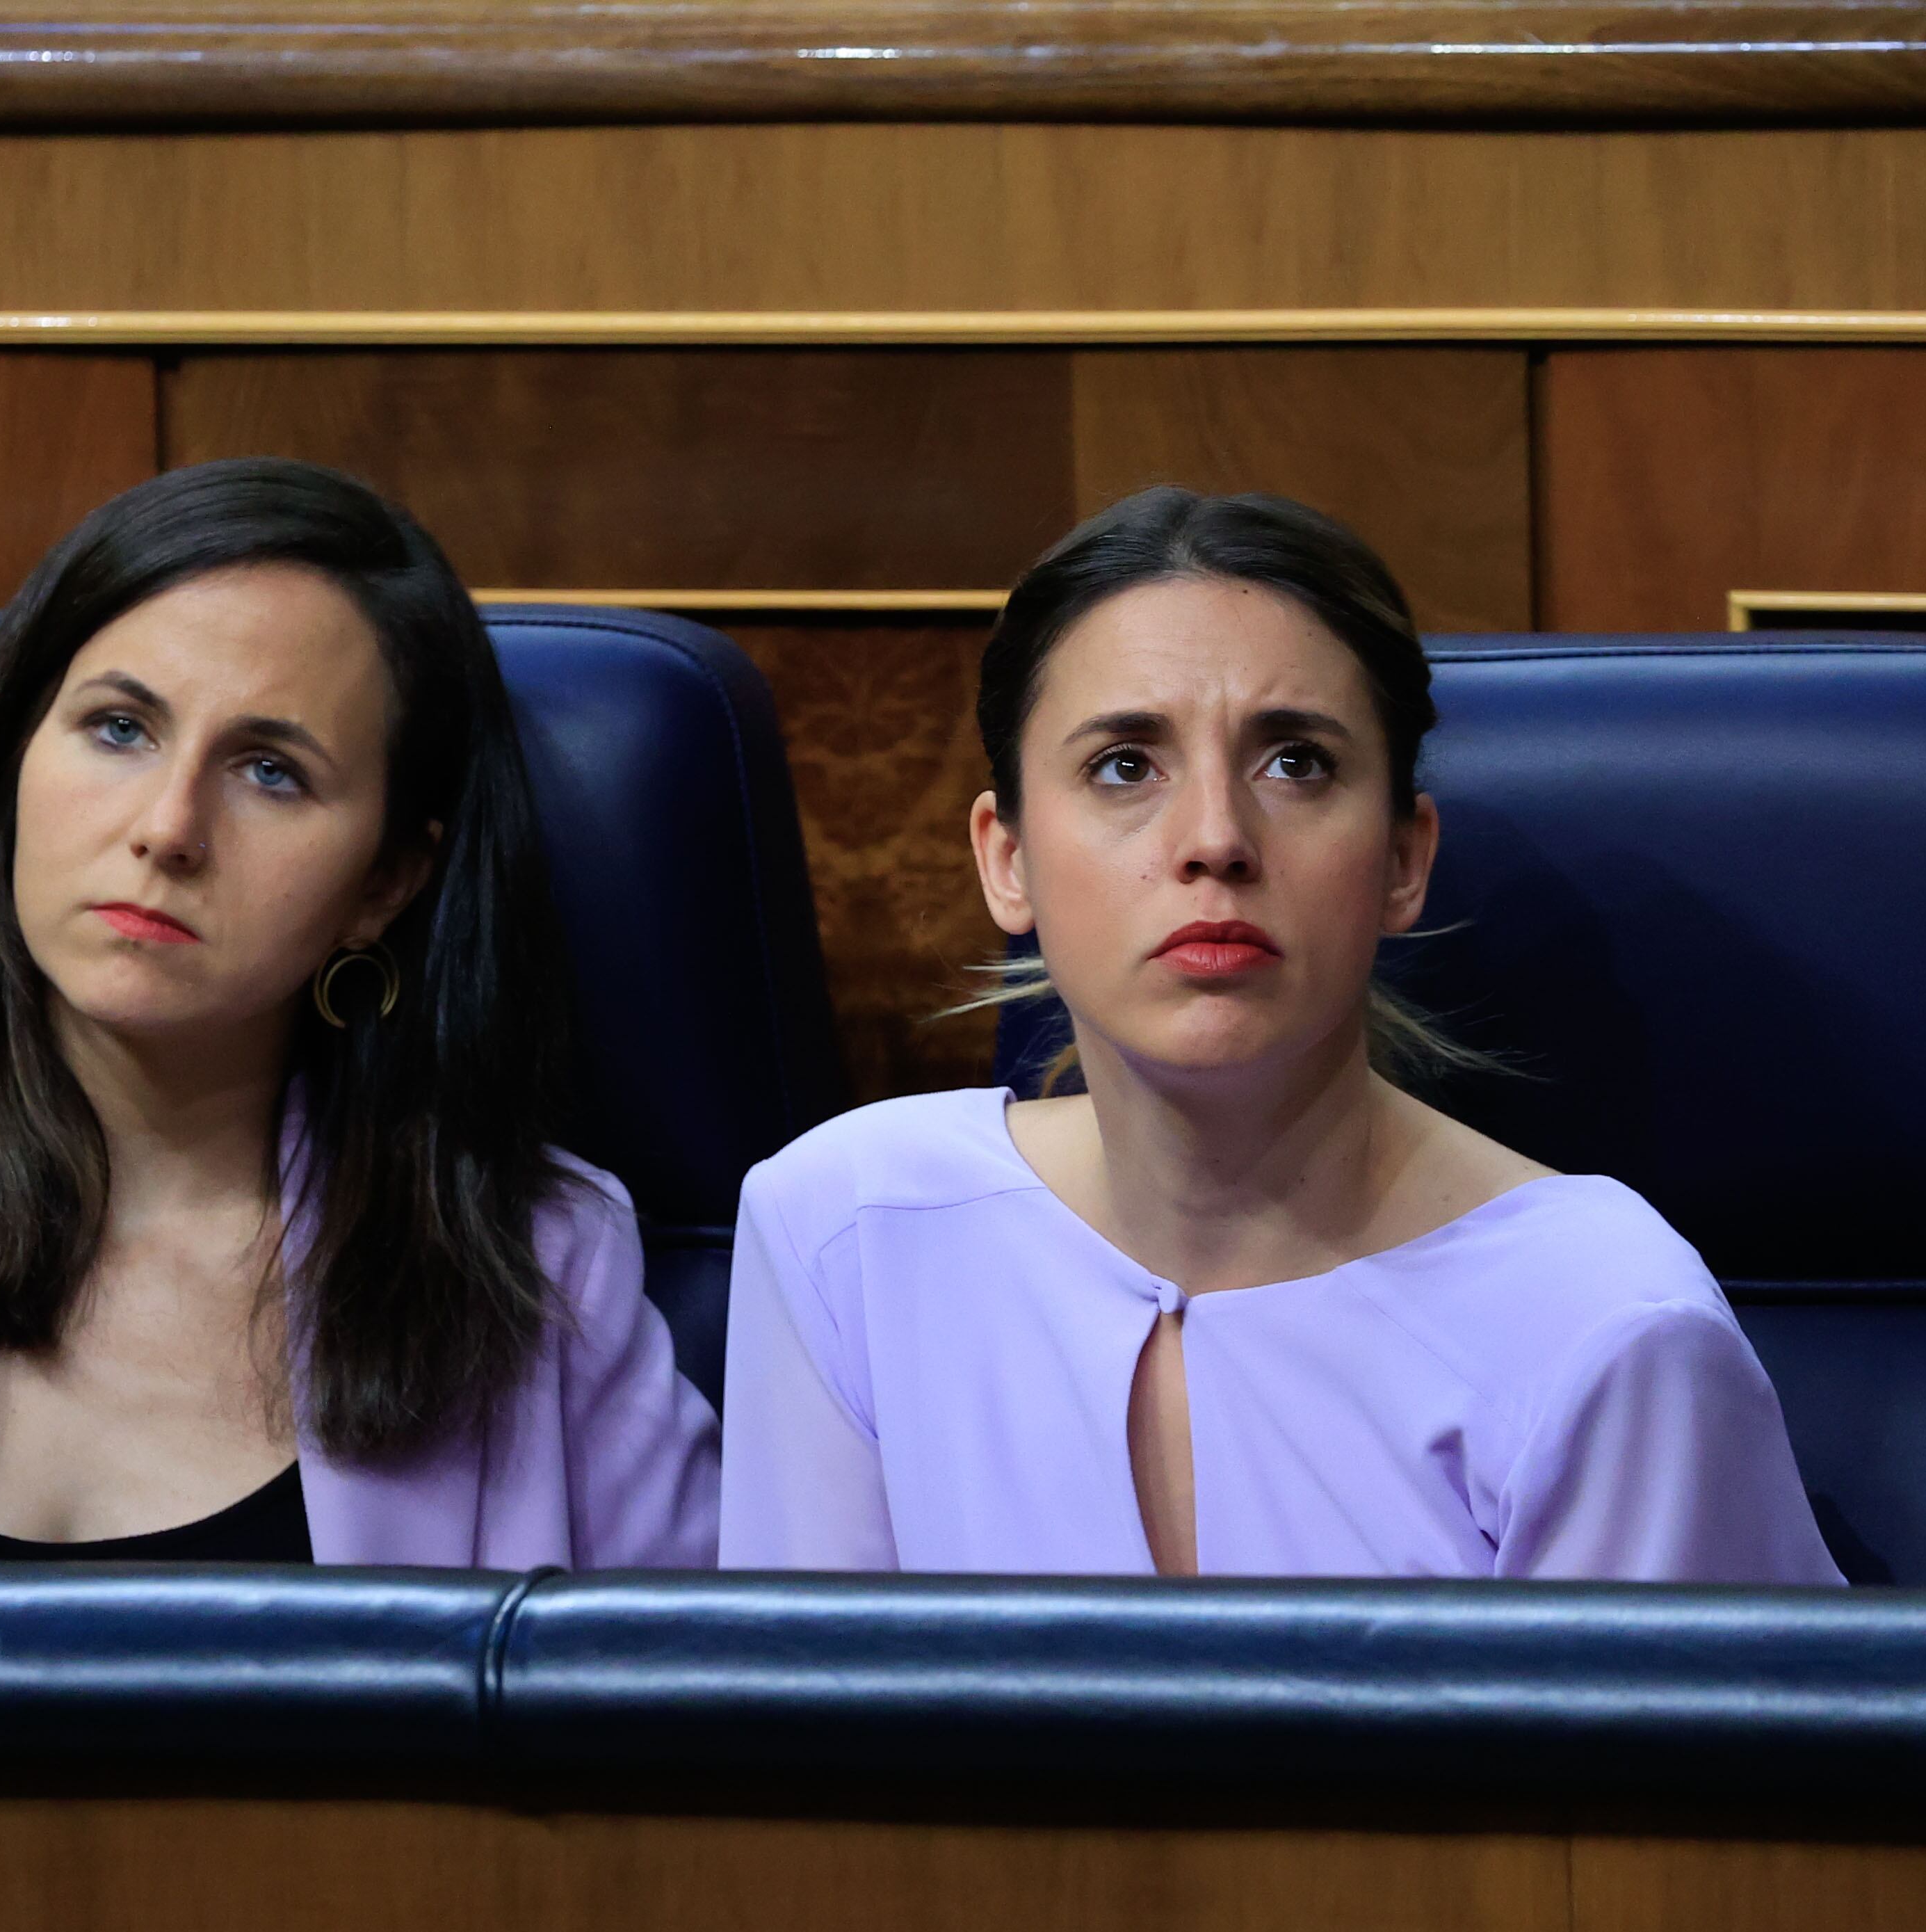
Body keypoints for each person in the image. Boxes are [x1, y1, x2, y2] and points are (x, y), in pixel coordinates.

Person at [0, 460, 718, 1565]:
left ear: (383, 887)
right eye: (119, 728)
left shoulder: (543, 1268)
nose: (168, 828)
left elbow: (687, 1727)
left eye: (271, 770)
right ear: (9, 762)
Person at [718, 488, 1840, 1583]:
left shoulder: (1608, 1326)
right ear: (1003, 858)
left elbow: (1662, 1774)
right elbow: (788, 1755)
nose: (1215, 839)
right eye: (1124, 765)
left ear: (1403, 858)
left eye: (1295, 762)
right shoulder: (844, 1235)